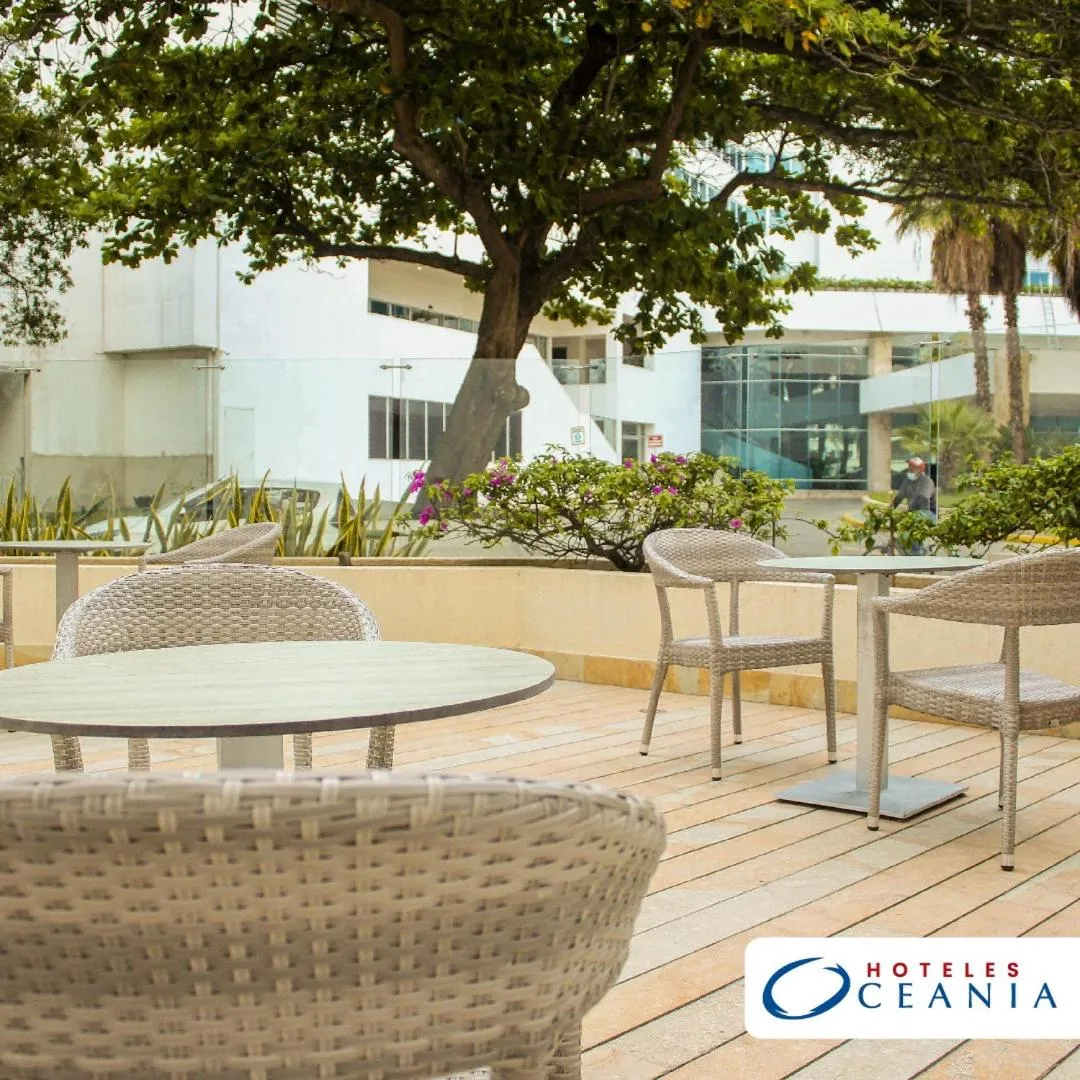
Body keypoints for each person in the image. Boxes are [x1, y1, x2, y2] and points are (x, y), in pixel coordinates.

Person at [892, 456, 937, 555]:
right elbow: (899, 497)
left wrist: (912, 513)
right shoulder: (907, 481)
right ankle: (912, 553)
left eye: (912, 467)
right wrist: (889, 510)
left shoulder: (927, 481)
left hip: (928, 513)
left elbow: (924, 498)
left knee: (909, 534)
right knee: (902, 538)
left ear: (920, 470)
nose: (910, 469)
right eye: (909, 467)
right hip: (914, 514)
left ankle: (918, 554)